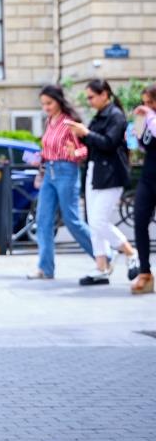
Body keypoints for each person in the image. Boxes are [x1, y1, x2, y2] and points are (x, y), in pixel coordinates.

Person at [66, 79, 138, 286]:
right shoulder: (99, 116)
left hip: (111, 173)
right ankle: (101, 267)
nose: (89, 101)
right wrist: (78, 140)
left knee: (98, 220)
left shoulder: (115, 115)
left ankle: (131, 252)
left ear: (104, 94)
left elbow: (109, 143)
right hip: (94, 171)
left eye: (91, 97)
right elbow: (94, 143)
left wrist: (86, 133)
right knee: (94, 223)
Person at [27, 85, 96, 280]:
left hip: (67, 171)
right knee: (43, 220)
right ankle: (45, 268)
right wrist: (37, 157)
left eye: (49, 103)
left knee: (72, 219)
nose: (46, 107)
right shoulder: (50, 121)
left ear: (58, 101)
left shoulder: (70, 123)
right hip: (49, 172)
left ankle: (104, 256)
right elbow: (49, 149)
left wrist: (74, 153)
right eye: (43, 104)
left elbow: (85, 150)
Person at [130, 84, 156, 293]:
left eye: (151, 102)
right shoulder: (148, 119)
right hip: (149, 176)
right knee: (139, 221)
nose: (147, 106)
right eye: (145, 102)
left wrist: (148, 117)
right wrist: (137, 128)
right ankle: (145, 272)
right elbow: (140, 146)